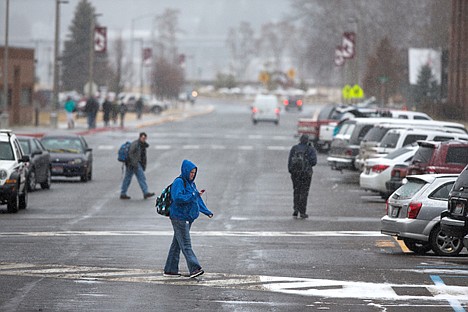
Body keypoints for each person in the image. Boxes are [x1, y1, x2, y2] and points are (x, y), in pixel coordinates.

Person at [163, 159, 213, 278]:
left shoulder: (191, 184)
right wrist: (192, 195)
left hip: (187, 217)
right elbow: (178, 197)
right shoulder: (179, 182)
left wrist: (207, 211)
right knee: (186, 244)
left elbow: (196, 199)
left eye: (194, 173)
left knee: (177, 244)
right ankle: (194, 268)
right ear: (185, 171)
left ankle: (170, 269)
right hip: (179, 217)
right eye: (191, 172)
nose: (192, 175)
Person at [288, 134, 317, 219]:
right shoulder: (311, 149)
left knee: (296, 191)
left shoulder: (294, 148)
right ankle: (303, 211)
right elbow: (314, 162)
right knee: (304, 192)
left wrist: (291, 171)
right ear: (308, 140)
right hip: (306, 174)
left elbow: (290, 161)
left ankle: (296, 209)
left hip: (295, 173)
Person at [120, 132, 155, 200]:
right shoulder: (135, 144)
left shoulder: (142, 145)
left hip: (134, 164)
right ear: (140, 137)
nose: (144, 139)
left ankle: (123, 193)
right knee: (140, 178)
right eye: (143, 138)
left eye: (145, 138)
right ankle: (145, 192)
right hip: (133, 164)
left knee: (130, 178)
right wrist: (134, 163)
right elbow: (130, 154)